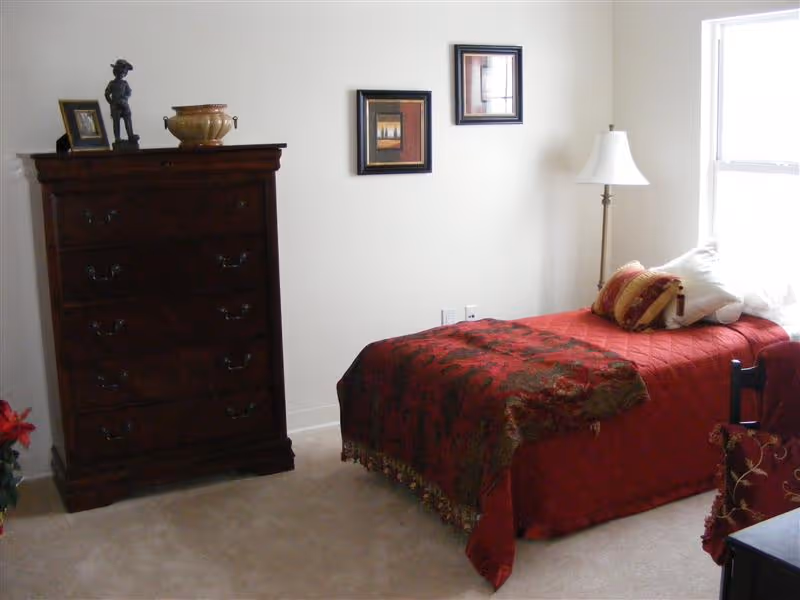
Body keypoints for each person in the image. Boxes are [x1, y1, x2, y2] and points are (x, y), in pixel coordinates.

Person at [105, 59, 138, 145]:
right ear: (116, 72)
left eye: (124, 72)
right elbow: (107, 93)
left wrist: (124, 99)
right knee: (116, 122)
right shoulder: (112, 83)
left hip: (124, 105)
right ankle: (117, 138)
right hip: (115, 106)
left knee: (128, 118)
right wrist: (111, 102)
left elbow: (129, 92)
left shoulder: (125, 83)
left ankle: (130, 135)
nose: (122, 74)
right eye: (120, 72)